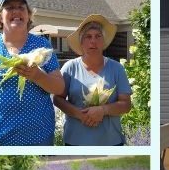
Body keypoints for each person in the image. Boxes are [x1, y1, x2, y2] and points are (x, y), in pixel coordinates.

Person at [0, 0, 65, 146]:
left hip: (39, 139)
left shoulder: (42, 46)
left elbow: (59, 87)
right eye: (10, 7)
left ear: (28, 15)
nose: (16, 11)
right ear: (0, 16)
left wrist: (37, 76)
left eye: (21, 7)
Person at [53, 14, 132, 146]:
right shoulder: (70, 67)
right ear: (81, 42)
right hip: (75, 141)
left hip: (111, 142)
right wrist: (79, 114)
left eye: (97, 36)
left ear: (103, 41)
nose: (93, 41)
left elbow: (126, 104)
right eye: (88, 37)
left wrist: (103, 110)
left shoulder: (116, 68)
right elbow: (57, 99)